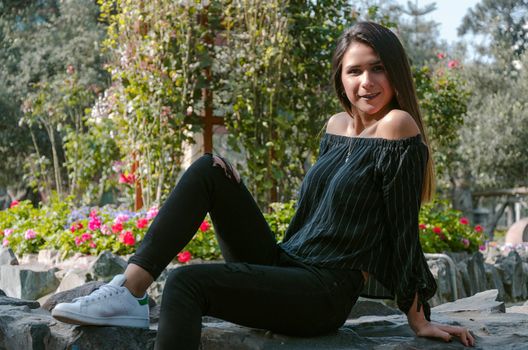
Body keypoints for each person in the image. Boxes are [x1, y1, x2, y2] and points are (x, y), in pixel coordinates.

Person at [52, 21, 475, 349]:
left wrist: (418, 319)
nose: (367, 82)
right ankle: (129, 292)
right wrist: (237, 194)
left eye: (378, 68)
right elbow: (319, 214)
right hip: (288, 265)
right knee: (209, 168)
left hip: (323, 292)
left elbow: (403, 229)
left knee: (186, 282)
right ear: (340, 78)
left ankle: (129, 298)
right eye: (355, 70)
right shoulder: (336, 126)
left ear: (396, 73)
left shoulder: (397, 127)